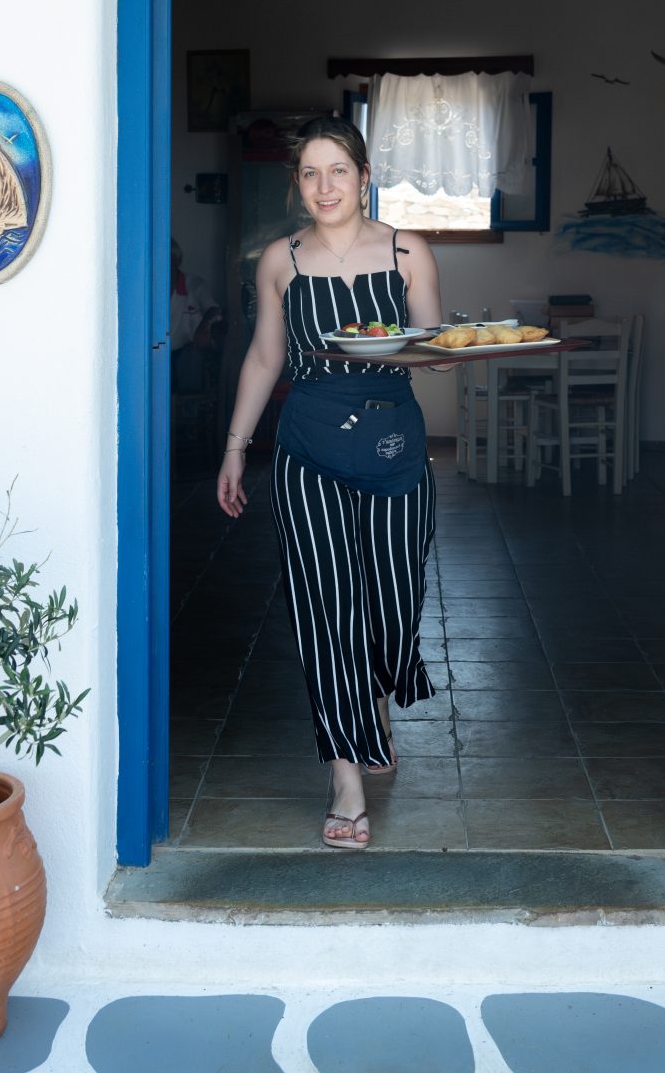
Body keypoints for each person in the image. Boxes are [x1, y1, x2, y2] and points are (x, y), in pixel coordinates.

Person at [216, 116, 443, 850]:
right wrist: (235, 449)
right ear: (298, 184)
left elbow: (432, 348)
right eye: (311, 173)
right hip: (307, 448)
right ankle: (346, 774)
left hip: (394, 445)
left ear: (364, 176)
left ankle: (375, 702)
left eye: (338, 170)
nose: (325, 186)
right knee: (325, 610)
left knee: (393, 602)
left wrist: (443, 352)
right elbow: (264, 358)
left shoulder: (407, 251)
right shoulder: (280, 261)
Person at [170, 237, 222, 393]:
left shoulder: (194, 284)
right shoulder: (149, 285)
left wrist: (204, 325)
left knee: (194, 359)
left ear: (178, 261)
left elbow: (214, 310)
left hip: (185, 349)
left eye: (169, 258)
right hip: (158, 351)